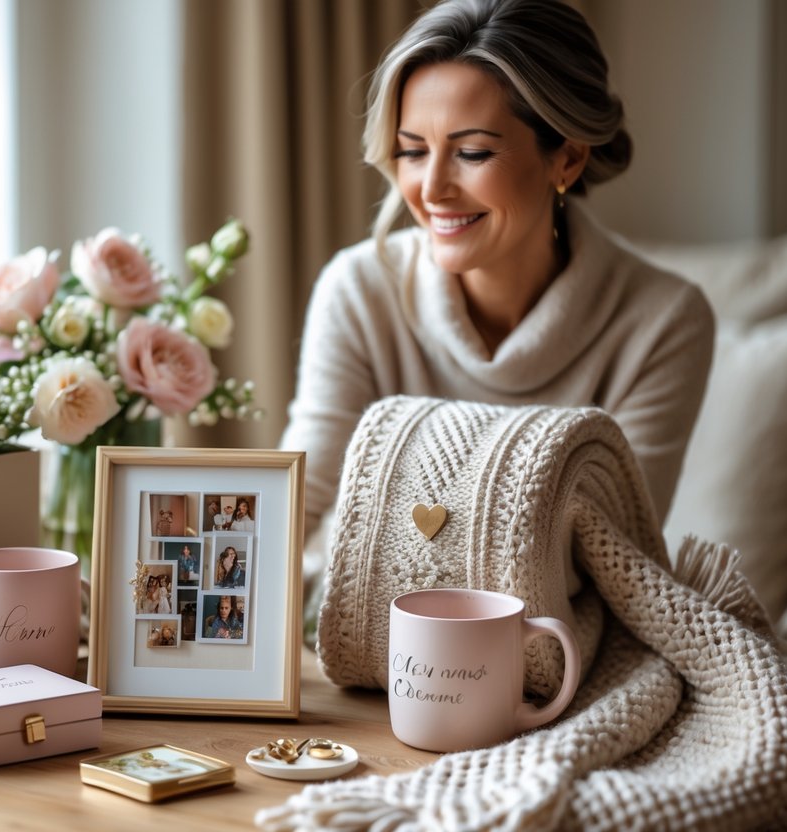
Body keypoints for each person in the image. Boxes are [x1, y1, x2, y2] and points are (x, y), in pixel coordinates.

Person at [280, 0, 713, 550]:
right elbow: (300, 508)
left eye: (473, 152)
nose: (432, 188)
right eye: (412, 151)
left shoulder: (666, 321)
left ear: (568, 159)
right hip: (357, 620)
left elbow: (607, 554)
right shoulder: (358, 290)